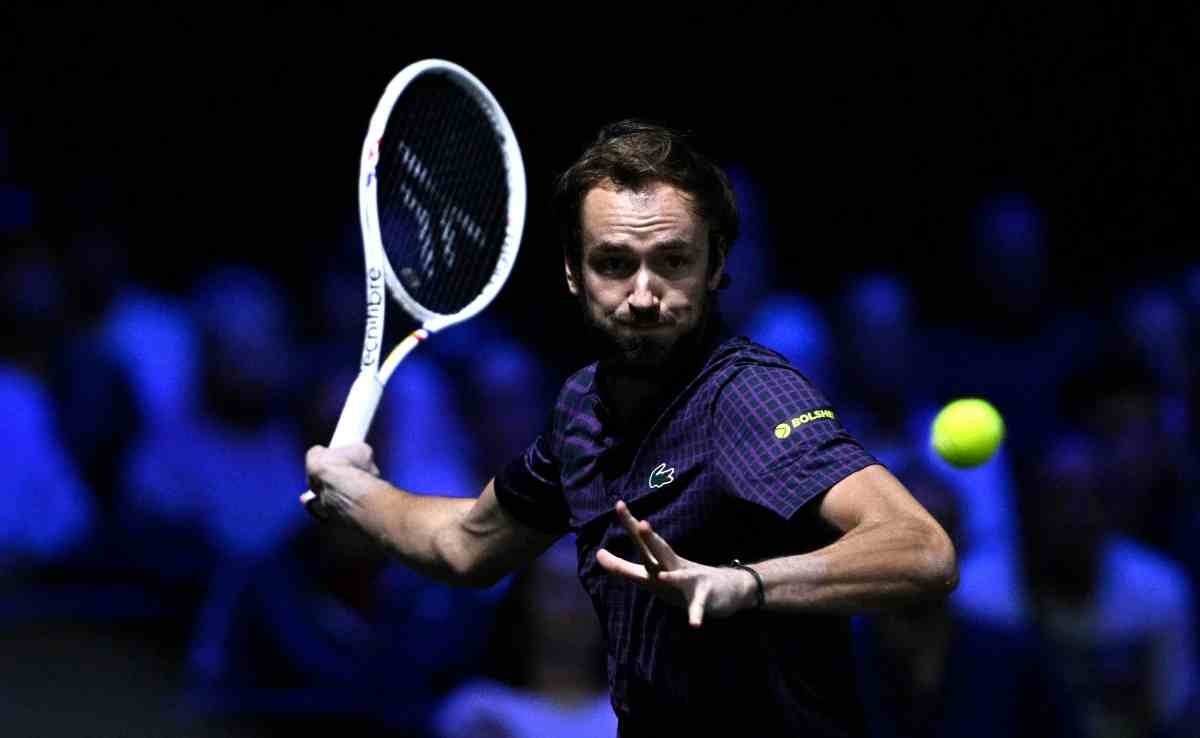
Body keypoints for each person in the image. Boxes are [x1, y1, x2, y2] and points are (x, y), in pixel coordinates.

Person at [304, 120, 958, 737]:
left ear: (715, 266)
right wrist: (356, 493)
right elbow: (466, 544)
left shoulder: (746, 396)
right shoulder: (582, 411)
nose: (644, 294)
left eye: (672, 261)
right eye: (615, 263)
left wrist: (746, 584)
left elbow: (921, 548)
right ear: (573, 271)